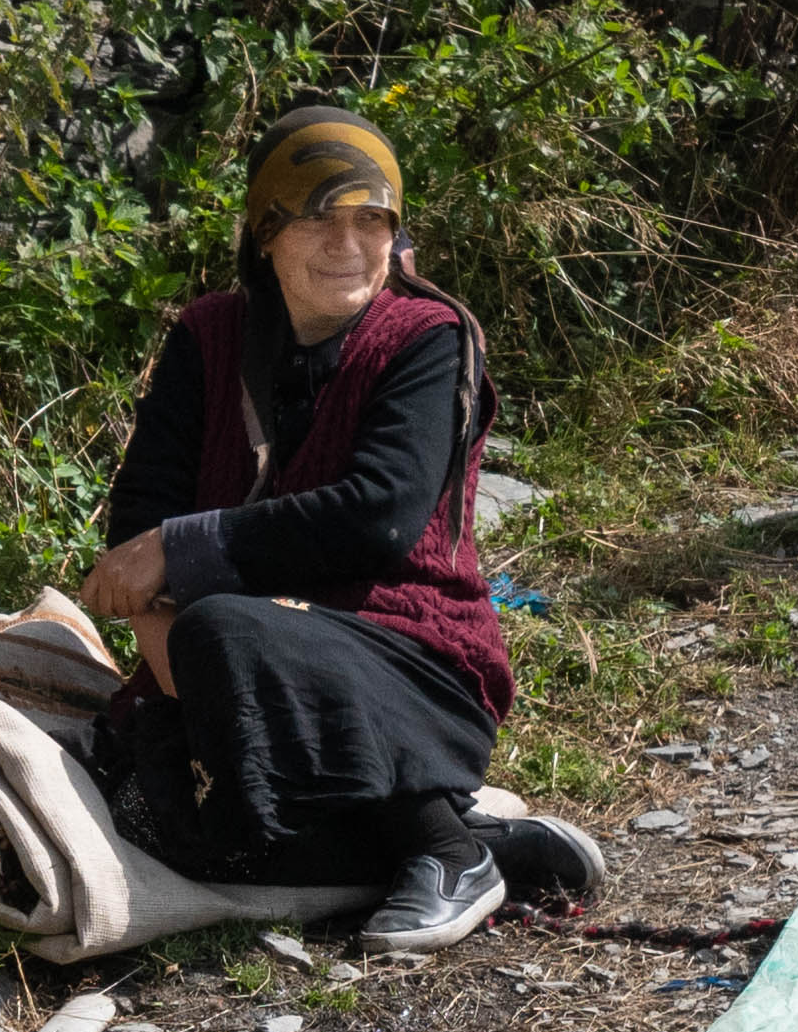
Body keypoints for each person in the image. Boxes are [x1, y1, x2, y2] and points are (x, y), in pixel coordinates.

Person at [81, 106, 602, 955]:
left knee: (226, 631)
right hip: (225, 659)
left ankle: (445, 850)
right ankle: (464, 846)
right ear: (266, 234)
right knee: (177, 822)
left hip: (409, 673)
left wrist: (183, 558)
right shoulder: (208, 338)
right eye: (319, 216)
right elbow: (138, 519)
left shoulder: (429, 339)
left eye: (371, 219)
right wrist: (166, 642)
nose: (347, 243)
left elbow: (379, 514)